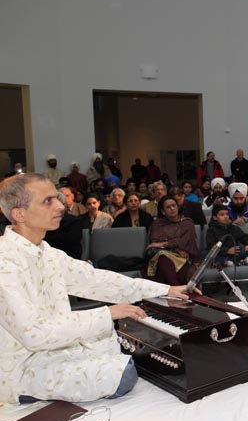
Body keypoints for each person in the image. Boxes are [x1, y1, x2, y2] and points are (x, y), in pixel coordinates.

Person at [0, 173, 190, 404]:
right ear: (19, 214)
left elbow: (96, 280)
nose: (60, 205)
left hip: (56, 347)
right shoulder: (5, 261)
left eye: (57, 198)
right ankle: (26, 392)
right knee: (123, 374)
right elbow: (35, 333)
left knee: (128, 348)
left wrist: (165, 289)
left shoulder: (45, 252)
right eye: (48, 201)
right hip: (22, 365)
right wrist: (107, 314)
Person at [144, 195, 198, 286]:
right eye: (168, 207)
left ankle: (173, 289)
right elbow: (154, 241)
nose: (172, 208)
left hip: (183, 256)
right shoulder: (157, 223)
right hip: (164, 255)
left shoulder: (187, 223)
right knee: (163, 258)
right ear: (163, 211)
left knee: (165, 266)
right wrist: (174, 247)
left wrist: (164, 243)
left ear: (177, 207)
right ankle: (176, 287)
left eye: (174, 205)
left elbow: (185, 241)